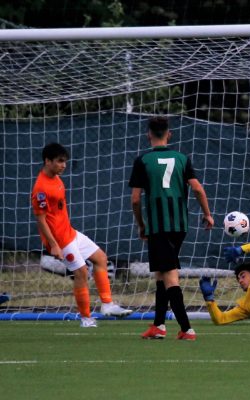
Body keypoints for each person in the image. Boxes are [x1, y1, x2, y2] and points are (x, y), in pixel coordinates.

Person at [129, 116, 214, 341]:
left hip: (158, 226)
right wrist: (207, 214)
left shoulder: (143, 160)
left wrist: (141, 225)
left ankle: (187, 328)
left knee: (169, 276)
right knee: (161, 273)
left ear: (148, 134)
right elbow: (197, 188)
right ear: (169, 134)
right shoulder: (182, 158)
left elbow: (136, 200)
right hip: (179, 226)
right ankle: (158, 325)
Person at [31, 143, 132, 328]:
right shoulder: (41, 188)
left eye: (65, 162)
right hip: (60, 241)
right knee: (81, 273)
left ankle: (107, 305)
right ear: (47, 161)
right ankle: (86, 319)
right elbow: (41, 220)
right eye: (60, 161)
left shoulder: (56, 179)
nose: (64, 165)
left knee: (101, 258)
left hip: (70, 233)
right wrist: (53, 245)